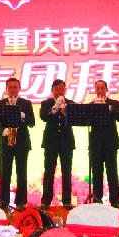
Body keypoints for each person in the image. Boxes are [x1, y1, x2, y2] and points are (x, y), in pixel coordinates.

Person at [0, 78, 35, 212]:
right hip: (6, 144)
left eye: (15, 87)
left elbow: (32, 122)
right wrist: (2, 131)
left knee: (22, 173)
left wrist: (22, 115)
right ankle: (3, 202)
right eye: (10, 87)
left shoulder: (26, 103)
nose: (13, 90)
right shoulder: (0, 104)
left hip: (22, 143)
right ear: (6, 89)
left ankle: (21, 202)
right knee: (5, 173)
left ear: (19, 88)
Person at [40, 79, 75, 210]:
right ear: (52, 91)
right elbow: (43, 116)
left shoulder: (71, 103)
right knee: (49, 171)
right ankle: (46, 201)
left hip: (66, 142)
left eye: (62, 89)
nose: (59, 91)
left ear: (65, 90)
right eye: (57, 89)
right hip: (51, 142)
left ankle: (67, 201)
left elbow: (76, 119)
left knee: (66, 171)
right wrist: (55, 108)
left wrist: (65, 108)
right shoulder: (46, 103)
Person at [89, 80, 119, 208]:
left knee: (112, 172)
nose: (100, 91)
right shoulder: (91, 105)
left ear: (107, 90)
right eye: (97, 88)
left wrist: (109, 108)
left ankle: (115, 200)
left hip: (110, 143)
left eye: (102, 88)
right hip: (95, 144)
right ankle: (97, 200)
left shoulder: (114, 103)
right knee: (97, 173)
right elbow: (86, 120)